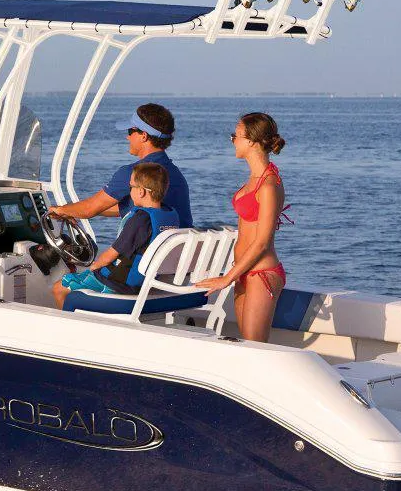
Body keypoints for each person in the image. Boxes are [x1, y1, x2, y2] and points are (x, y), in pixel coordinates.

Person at [195, 112, 288, 342]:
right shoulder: (255, 178)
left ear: (251, 141)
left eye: (235, 136)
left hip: (260, 273)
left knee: (255, 349)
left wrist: (226, 278)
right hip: (244, 271)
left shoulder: (268, 184)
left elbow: (263, 242)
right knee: (247, 344)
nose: (232, 141)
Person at [54, 163, 179, 309]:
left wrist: (93, 269)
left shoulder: (140, 220)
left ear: (141, 192)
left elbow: (109, 256)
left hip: (118, 284)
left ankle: (70, 329)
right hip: (144, 282)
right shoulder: (170, 215)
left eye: (131, 187)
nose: (129, 191)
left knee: (59, 288)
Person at [47, 102, 192, 228]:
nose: (127, 136)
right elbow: (109, 207)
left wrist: (59, 211)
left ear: (144, 136)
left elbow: (90, 208)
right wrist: (70, 210)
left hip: (151, 257)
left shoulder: (134, 173)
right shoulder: (175, 173)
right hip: (178, 253)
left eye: (130, 131)